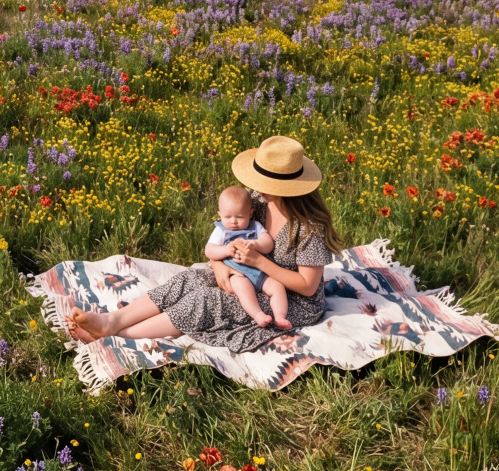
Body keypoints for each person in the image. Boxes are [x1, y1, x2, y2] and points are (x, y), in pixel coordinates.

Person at [63, 135, 340, 351]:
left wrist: (259, 262)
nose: (255, 186)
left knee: (208, 301)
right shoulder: (257, 203)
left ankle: (116, 337)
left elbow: (308, 286)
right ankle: (112, 321)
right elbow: (224, 240)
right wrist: (219, 265)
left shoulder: (308, 227)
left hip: (292, 300)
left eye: (262, 181)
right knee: (190, 279)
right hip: (248, 273)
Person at [205, 185, 289, 330]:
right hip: (237, 274)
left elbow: (268, 243)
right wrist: (225, 250)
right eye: (227, 217)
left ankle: (280, 316)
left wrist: (255, 244)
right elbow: (209, 250)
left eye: (239, 217)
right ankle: (258, 315)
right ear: (220, 214)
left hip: (259, 272)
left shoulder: (255, 226)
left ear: (250, 214)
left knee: (277, 287)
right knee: (243, 289)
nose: (233, 222)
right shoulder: (221, 230)